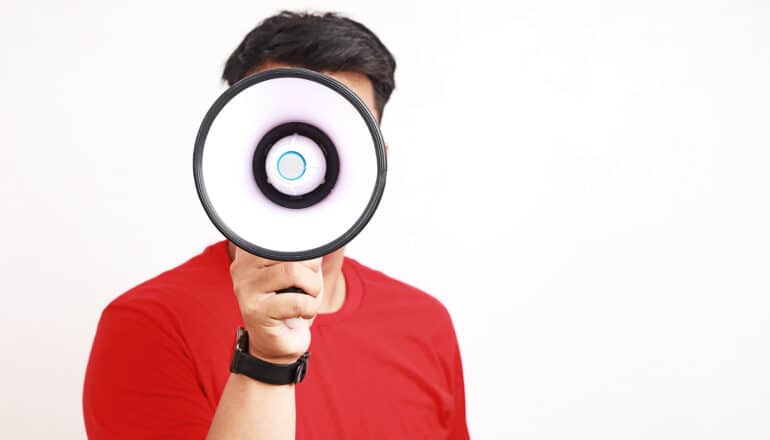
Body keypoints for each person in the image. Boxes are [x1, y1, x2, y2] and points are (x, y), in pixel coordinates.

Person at [83, 11, 469, 439]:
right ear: (233, 145)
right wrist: (265, 359)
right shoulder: (146, 326)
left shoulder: (424, 325)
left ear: (379, 161)